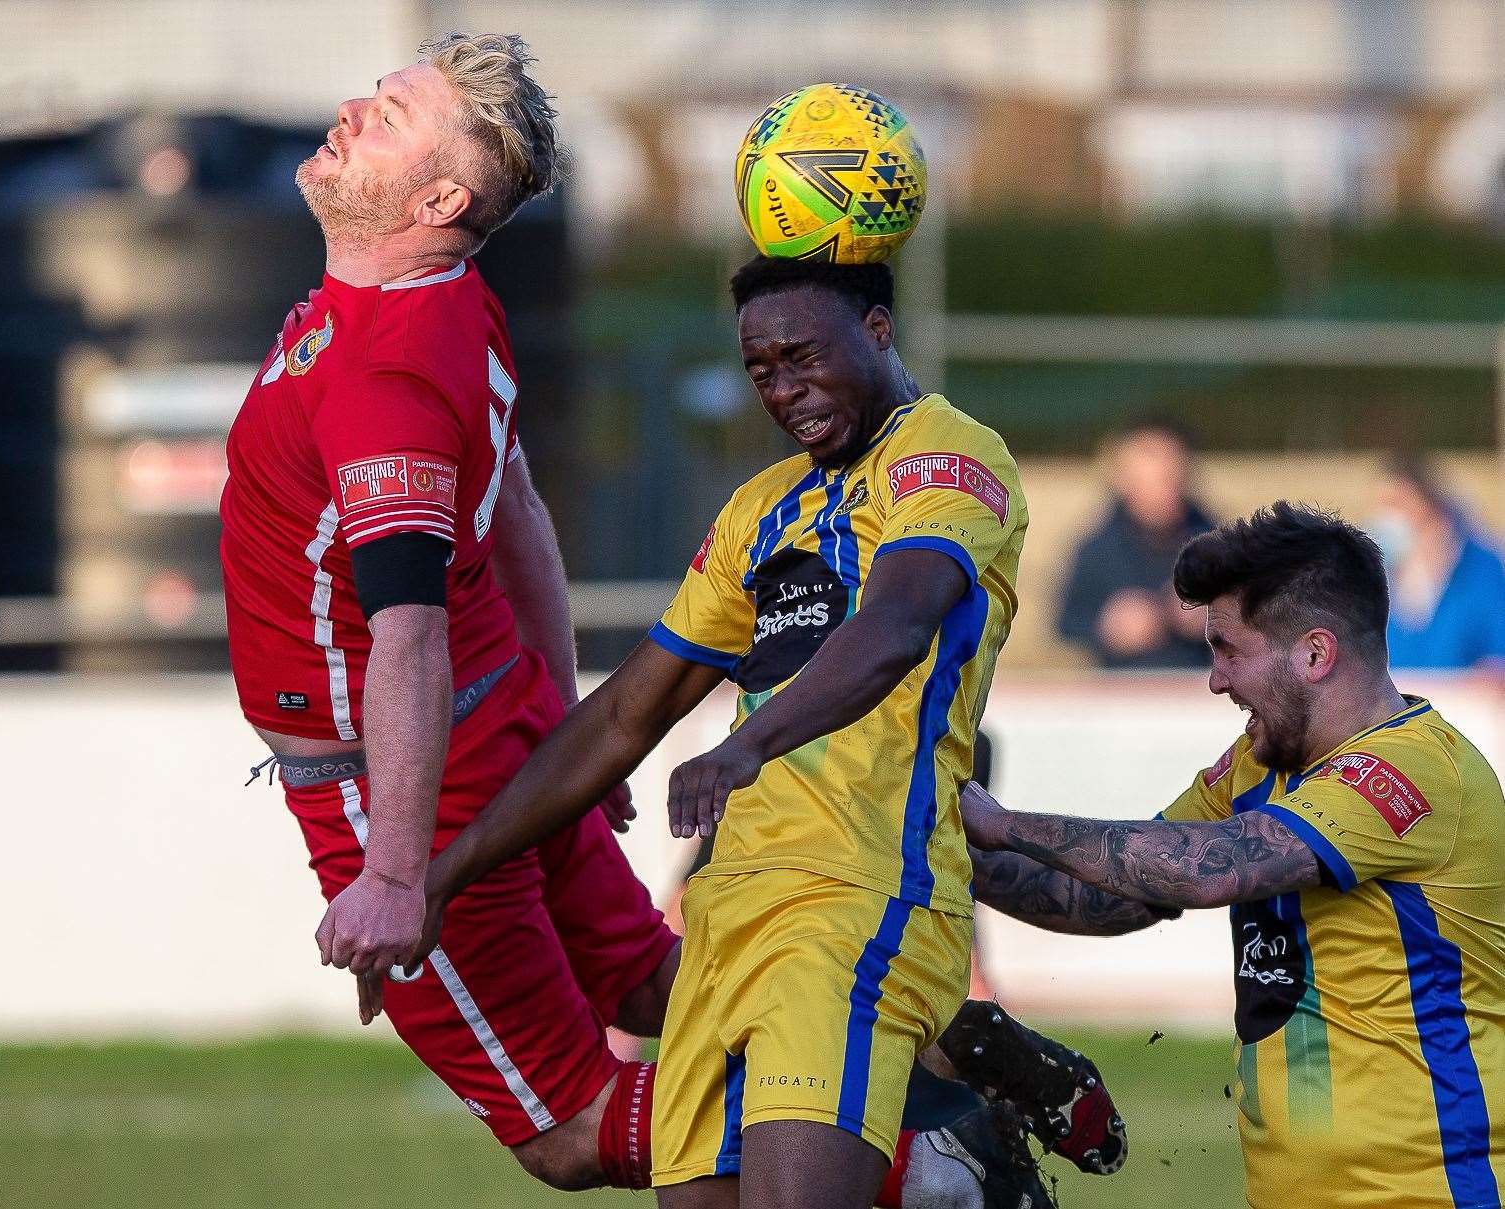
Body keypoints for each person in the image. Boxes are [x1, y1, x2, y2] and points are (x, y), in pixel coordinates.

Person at [378, 253, 1127, 1209]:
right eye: (762, 369)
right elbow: (622, 714)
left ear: (879, 331)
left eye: (803, 356)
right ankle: (941, 1141)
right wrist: (436, 875)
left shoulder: (948, 454)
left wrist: (749, 741)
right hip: (723, 919)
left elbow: (894, 627)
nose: (784, 387)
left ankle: (942, 1142)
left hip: (858, 895)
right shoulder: (759, 508)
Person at [220, 34, 682, 1192]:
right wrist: (570, 733)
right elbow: (517, 504)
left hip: (411, 781)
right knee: (648, 989)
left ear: (436, 197)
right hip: (501, 719)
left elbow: (407, 632)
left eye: (386, 115)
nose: (347, 112)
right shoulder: (442, 298)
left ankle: (916, 1162)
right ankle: (925, 1052)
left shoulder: (384, 371)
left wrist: (389, 872)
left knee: (568, 1129)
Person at [963, 502, 1505, 1209]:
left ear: (1314, 653)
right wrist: (934, 842)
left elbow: (1207, 866)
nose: (1214, 679)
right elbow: (1112, 894)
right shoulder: (1259, 768)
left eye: (1228, 650)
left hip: (1429, 1192)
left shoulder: (1410, 769)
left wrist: (1001, 823)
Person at [1057, 421, 1215, 668]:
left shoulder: (1219, 542)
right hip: (1123, 693)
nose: (1163, 493)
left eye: (1171, 479)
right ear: (1124, 482)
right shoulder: (1097, 548)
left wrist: (1219, 615)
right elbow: (1067, 621)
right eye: (1151, 482)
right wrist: (1109, 625)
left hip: (1202, 690)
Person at [1369, 455, 1505, 671]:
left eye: (1396, 504)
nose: (1388, 517)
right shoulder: (1379, 576)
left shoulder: (1482, 569)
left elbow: (1497, 654)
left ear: (1432, 507)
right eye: (1382, 506)